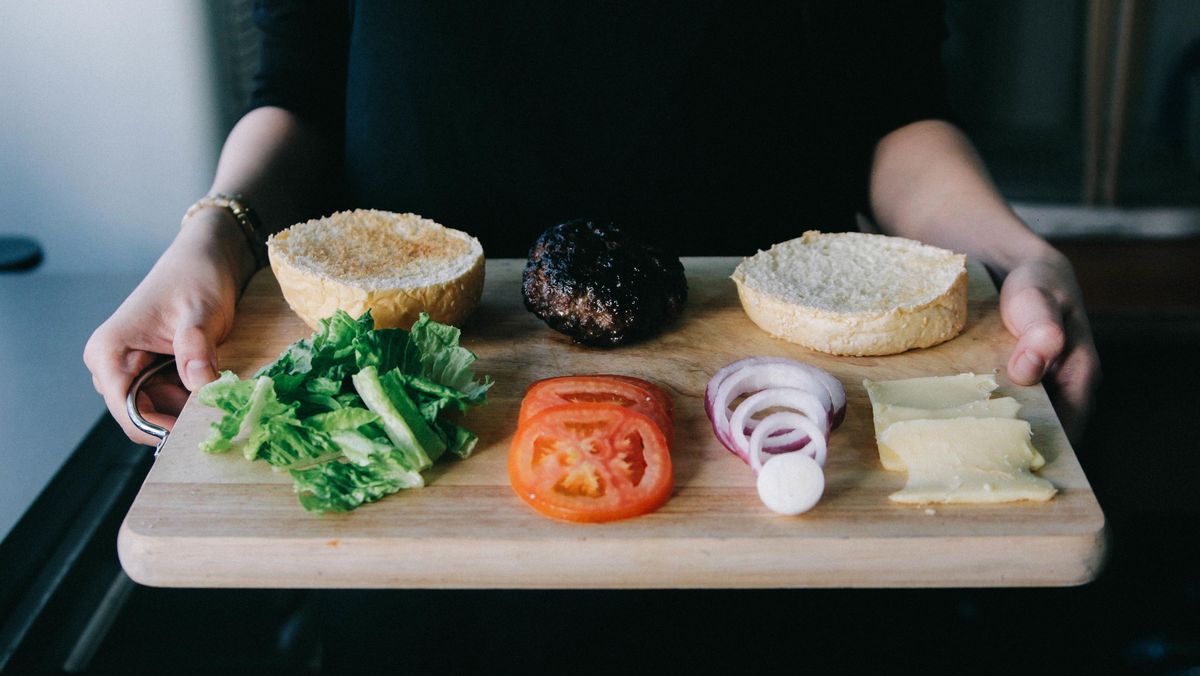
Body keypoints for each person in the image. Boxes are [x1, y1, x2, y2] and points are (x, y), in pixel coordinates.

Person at [85, 1, 1099, 445]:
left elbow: (894, 108)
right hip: (417, 414)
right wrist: (211, 235)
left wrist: (1019, 253)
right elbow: (298, 87)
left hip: (784, 421)